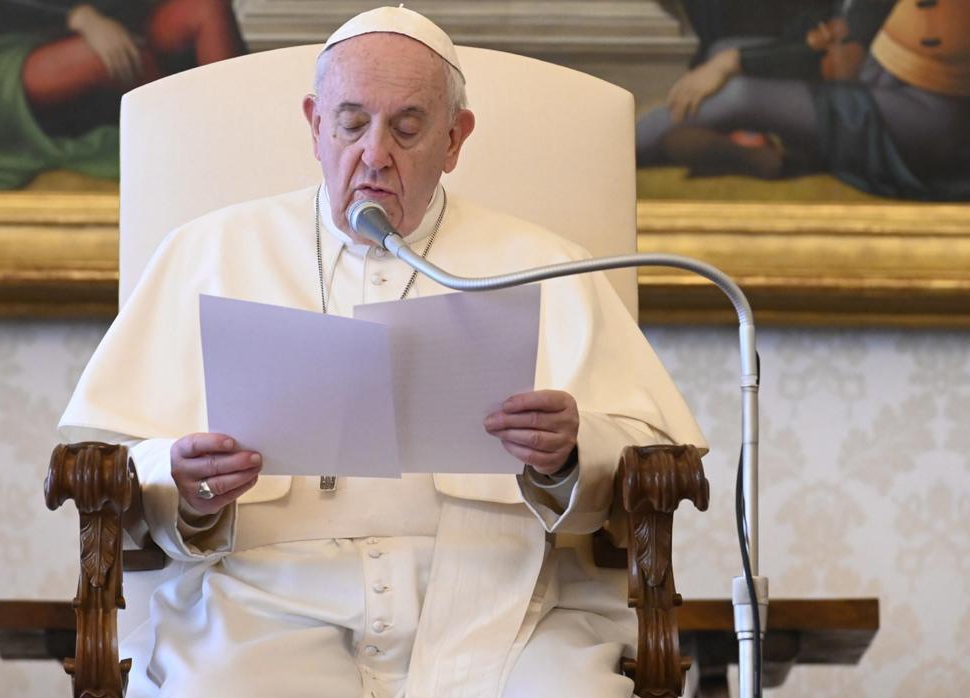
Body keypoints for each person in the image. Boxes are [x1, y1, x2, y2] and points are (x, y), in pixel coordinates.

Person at [60, 7, 705, 697]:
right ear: (314, 124)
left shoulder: (544, 264)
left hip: (501, 604)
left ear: (455, 139)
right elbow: (106, 456)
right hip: (261, 605)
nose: (374, 154)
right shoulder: (206, 254)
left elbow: (650, 451)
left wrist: (572, 453)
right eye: (350, 123)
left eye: (407, 127)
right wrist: (177, 477)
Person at [638, 0, 970, 201]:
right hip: (878, 85)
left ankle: (615, 149)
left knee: (737, 91)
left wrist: (732, 65)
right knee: (725, 49)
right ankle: (766, 150)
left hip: (928, 126)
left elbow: (844, 62)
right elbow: (832, 38)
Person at [0, 0, 246, 189]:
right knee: (123, 60)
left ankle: (238, 146)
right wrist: (81, 17)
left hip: (113, 35)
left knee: (205, 8)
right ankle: (206, 155)